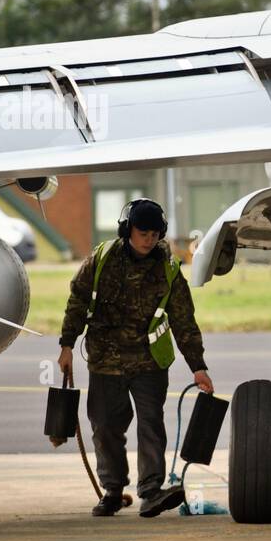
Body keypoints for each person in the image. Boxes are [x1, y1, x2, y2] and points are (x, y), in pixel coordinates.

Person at [57, 198, 214, 517]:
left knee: (151, 424)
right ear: (128, 230)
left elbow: (184, 320)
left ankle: (151, 492)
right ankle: (112, 491)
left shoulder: (168, 269)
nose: (149, 239)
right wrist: (67, 344)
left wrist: (198, 367)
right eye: (143, 232)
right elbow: (77, 300)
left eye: (155, 233)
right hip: (106, 360)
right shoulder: (101, 260)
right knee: (104, 426)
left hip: (149, 362)